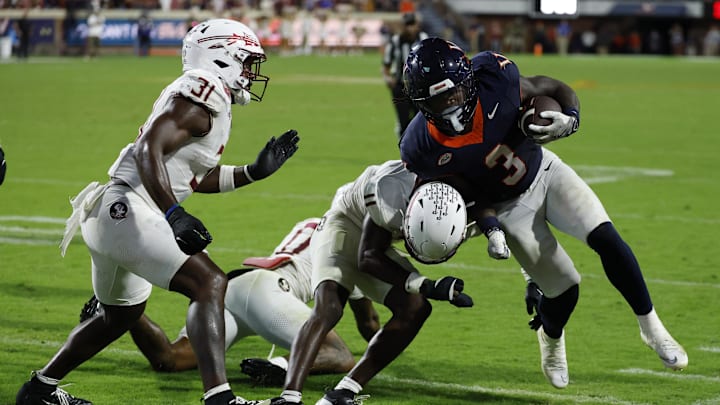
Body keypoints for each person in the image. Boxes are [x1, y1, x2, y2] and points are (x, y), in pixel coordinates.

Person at [16, 19, 299, 405]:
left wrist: (252, 172)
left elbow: (191, 175)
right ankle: (220, 399)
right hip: (127, 209)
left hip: (112, 212)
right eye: (246, 61)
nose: (250, 72)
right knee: (211, 283)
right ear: (221, 56)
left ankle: (38, 391)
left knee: (120, 317)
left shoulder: (206, 101)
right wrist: (174, 214)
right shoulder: (207, 90)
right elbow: (148, 149)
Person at [399, 37, 688, 389]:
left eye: (455, 92)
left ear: (468, 81)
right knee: (566, 290)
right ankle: (551, 338)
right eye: (440, 98)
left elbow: (551, 86)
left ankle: (652, 328)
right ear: (421, 102)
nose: (452, 103)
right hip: (509, 208)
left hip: (545, 173)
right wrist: (490, 226)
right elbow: (464, 194)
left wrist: (570, 120)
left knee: (606, 238)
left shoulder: (494, 78)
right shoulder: (420, 145)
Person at [265, 160, 509, 405]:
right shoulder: (388, 191)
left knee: (415, 308)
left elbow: (488, 204)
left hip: (380, 240)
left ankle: (343, 392)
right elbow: (368, 257)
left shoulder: (462, 203)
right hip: (345, 224)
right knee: (329, 306)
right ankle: (289, 397)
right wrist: (427, 285)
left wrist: (494, 232)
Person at [78, 218, 380, 386]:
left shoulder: (316, 224)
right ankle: (278, 366)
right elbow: (368, 323)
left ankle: (119, 308)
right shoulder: (348, 243)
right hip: (269, 292)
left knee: (171, 359)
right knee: (339, 354)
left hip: (239, 287)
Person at [381, 12, 427, 139]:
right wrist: (388, 78)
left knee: (421, 121)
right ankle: (405, 151)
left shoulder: (423, 38)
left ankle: (420, 150)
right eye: (407, 25)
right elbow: (386, 64)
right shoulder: (395, 41)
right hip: (400, 88)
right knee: (403, 120)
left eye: (412, 25)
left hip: (420, 88)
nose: (410, 28)